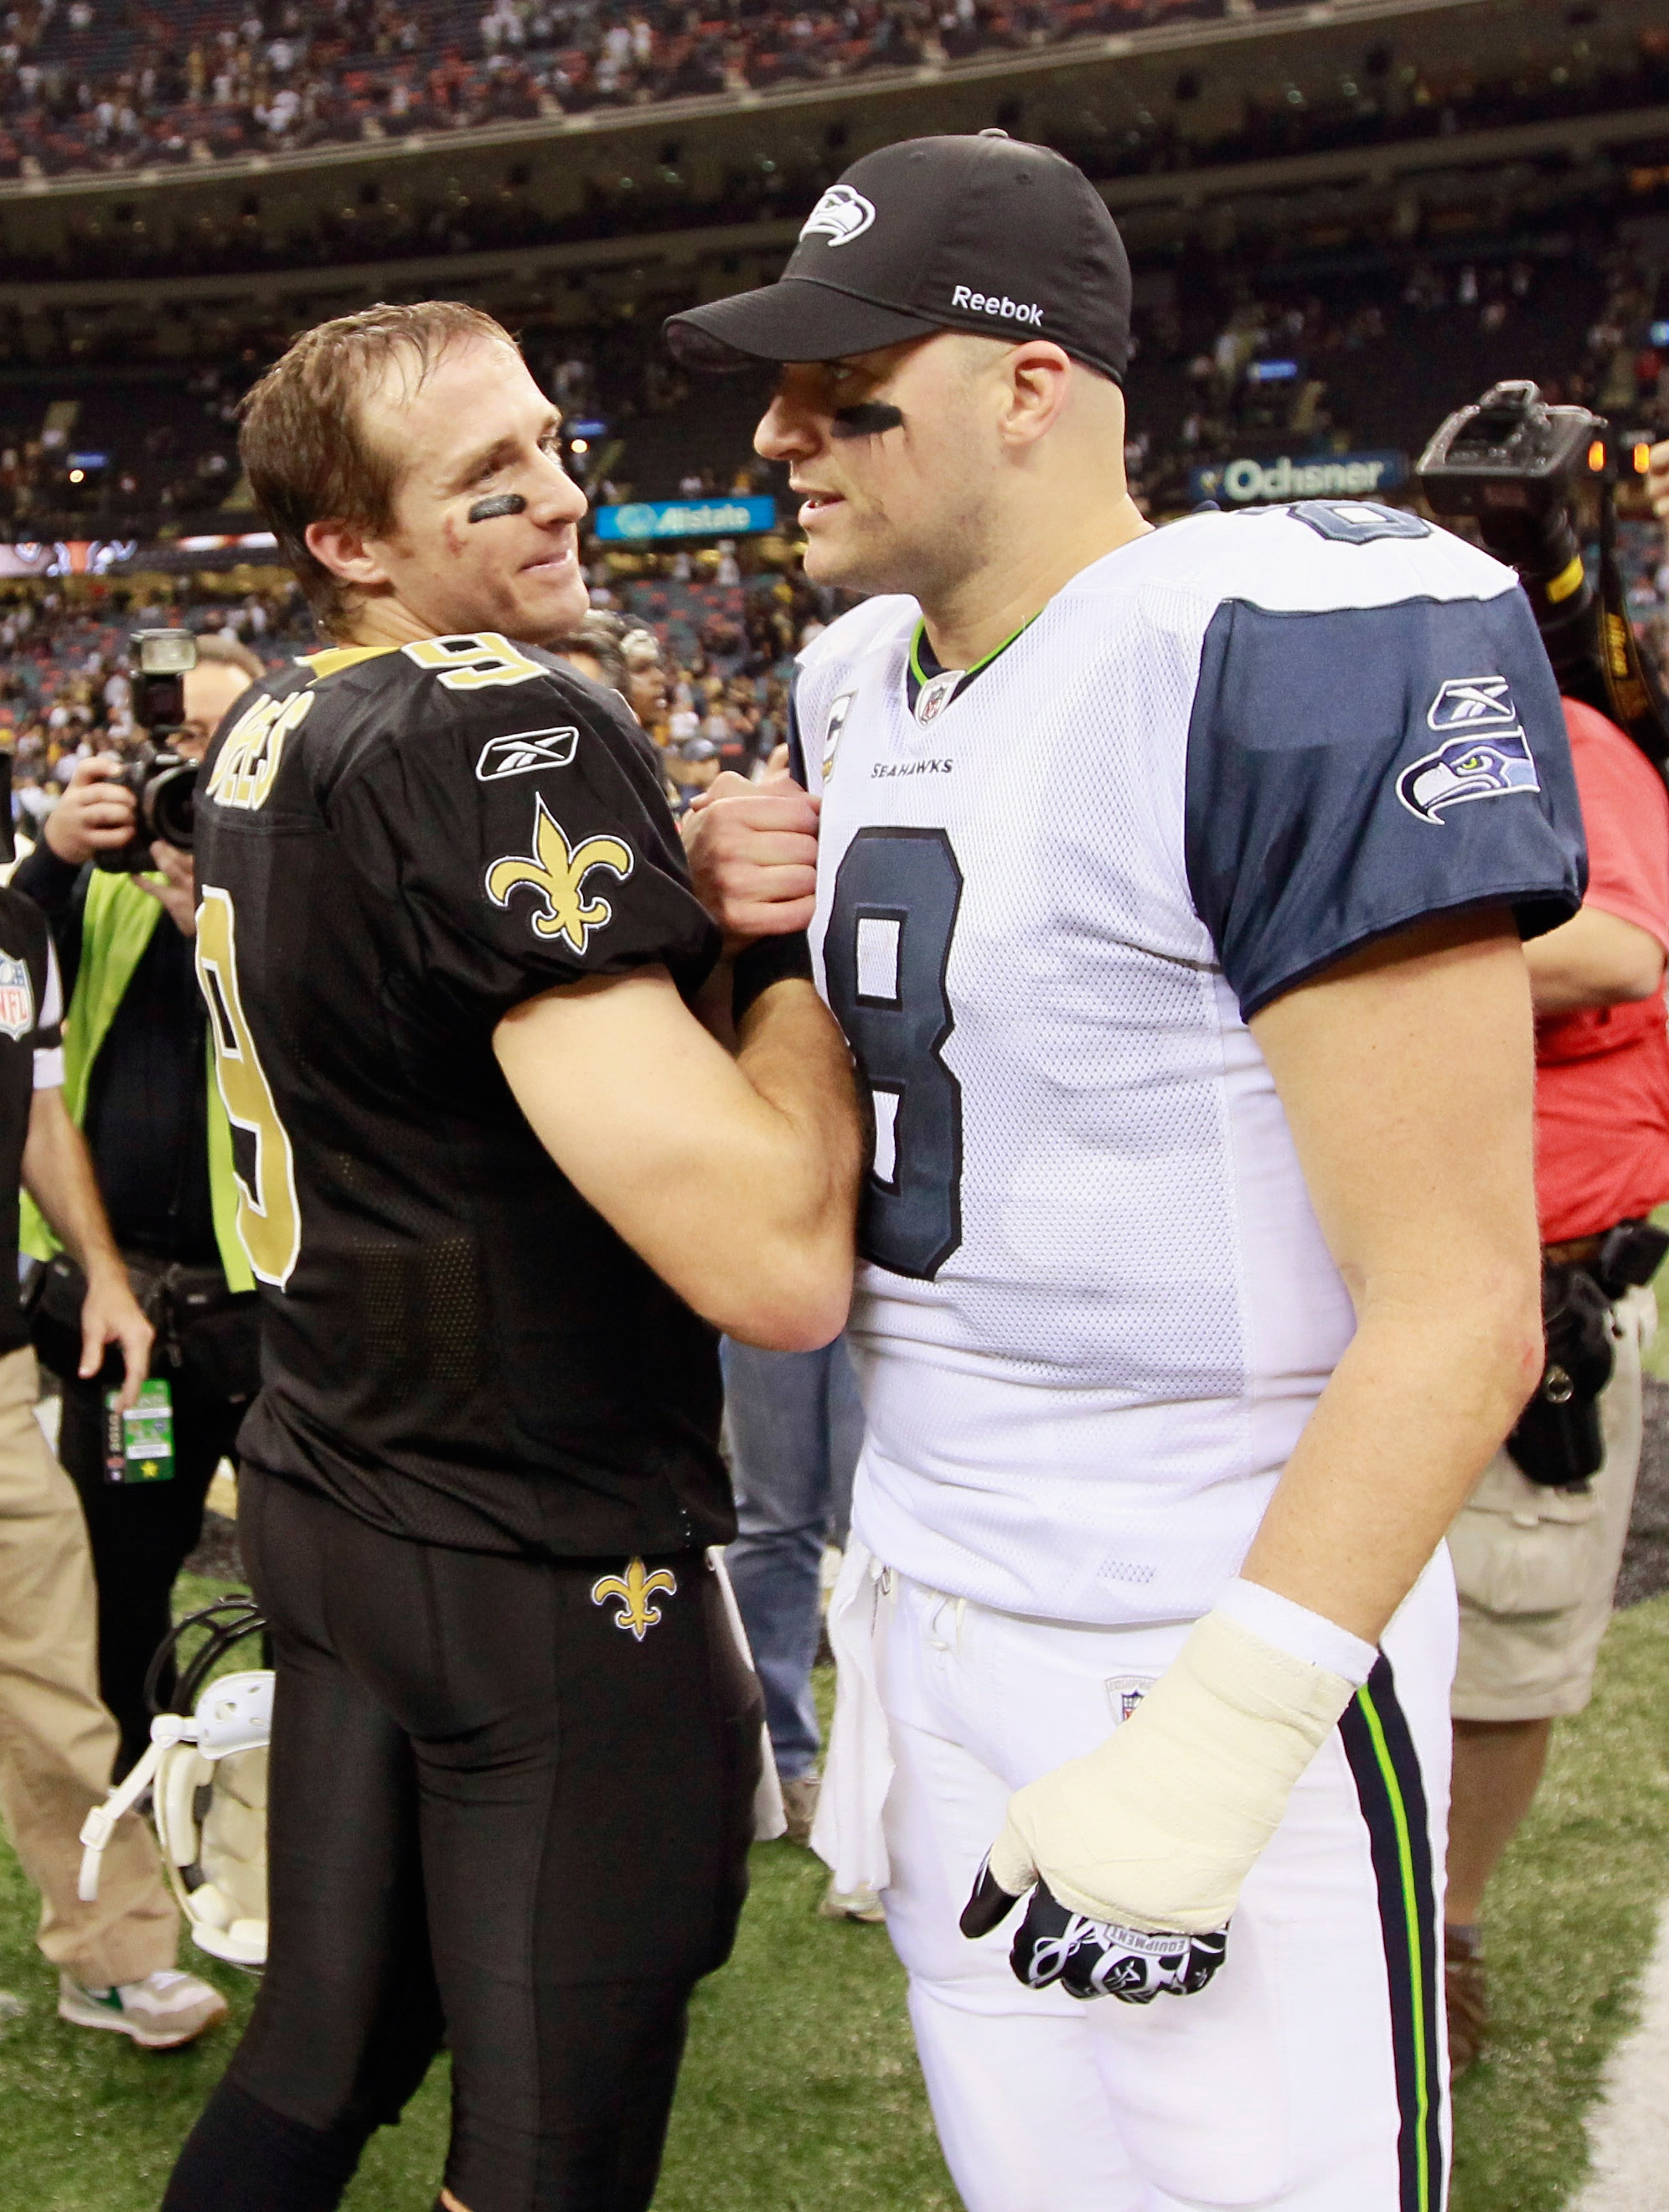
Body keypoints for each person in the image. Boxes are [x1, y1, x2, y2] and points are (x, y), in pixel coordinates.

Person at [672, 132, 1584, 2210]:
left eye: (840, 384)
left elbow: (1459, 1308)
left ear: (1031, 385)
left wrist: (1226, 1726)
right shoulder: (846, 682)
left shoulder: (1284, 636)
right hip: (930, 1588)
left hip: (1206, 1598)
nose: (777, 431)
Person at [163, 299, 861, 2212]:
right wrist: (789, 953)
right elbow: (773, 1267)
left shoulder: (276, 726)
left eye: (551, 443)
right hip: (539, 1549)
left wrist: (677, 927)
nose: (559, 498)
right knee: (548, 2160)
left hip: (335, 1492)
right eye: (489, 480)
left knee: (315, 2064)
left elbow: (440, 1064)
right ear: (351, 545)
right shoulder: (501, 716)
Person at [1444, 692, 1669, 2071]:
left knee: (1504, 1636)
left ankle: (1443, 1934)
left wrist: (1358, 936)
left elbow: (1616, 951)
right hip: (1348, 1268)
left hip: (1540, 1283)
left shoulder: (1561, 738)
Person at [14, 633, 264, 1775]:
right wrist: (55, 859)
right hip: (133, 1326)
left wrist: (231, 929)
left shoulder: (307, 881)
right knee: (123, 1570)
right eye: (174, 744)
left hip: (274, 1319)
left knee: (323, 1579)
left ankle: (311, 1799)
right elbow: (9, 985)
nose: (190, 772)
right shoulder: (103, 885)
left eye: (216, 741)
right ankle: (136, 1798)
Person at [0, 866, 227, 2049]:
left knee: (50, 1672)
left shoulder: (17, 930)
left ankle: (116, 1955)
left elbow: (37, 1116)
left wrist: (99, 1273)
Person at [721, 1336, 863, 1846]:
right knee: (773, 1523)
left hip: (904, 1272)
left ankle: (878, 1801)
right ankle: (776, 1771)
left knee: (876, 1534)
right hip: (776, 1266)